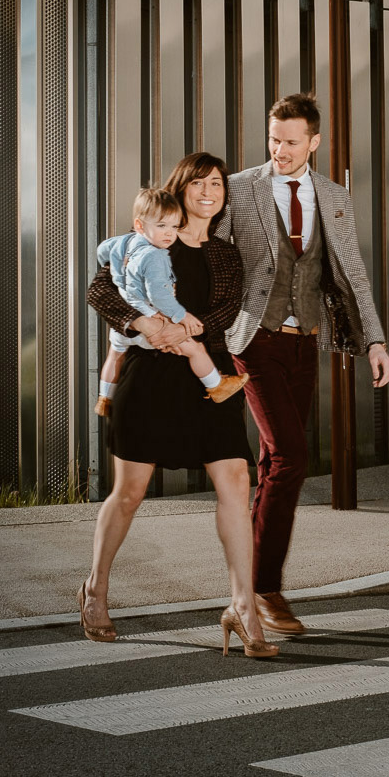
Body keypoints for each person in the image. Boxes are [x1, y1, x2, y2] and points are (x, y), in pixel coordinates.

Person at [84, 153, 277, 659]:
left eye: (217, 183)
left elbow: (225, 310)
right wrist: (145, 325)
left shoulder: (225, 255)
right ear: (181, 189)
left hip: (207, 376)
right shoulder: (142, 239)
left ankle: (242, 607)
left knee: (236, 480)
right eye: (198, 183)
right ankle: (96, 589)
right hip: (149, 377)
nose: (209, 191)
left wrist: (179, 331)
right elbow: (99, 290)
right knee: (129, 492)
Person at [221, 92, 389, 636]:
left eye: (292, 142)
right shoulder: (240, 188)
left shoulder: (335, 197)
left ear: (314, 142)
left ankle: (245, 591)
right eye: (274, 139)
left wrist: (375, 343)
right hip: (253, 340)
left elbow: (353, 272)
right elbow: (215, 260)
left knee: (277, 464)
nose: (281, 150)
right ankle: (266, 589)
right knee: (292, 456)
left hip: (305, 342)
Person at [95, 187, 249, 414]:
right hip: (154, 324)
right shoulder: (156, 255)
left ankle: (104, 398)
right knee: (196, 350)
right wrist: (182, 317)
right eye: (161, 226)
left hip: (125, 326)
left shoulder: (124, 243)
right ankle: (216, 385)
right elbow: (159, 295)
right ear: (139, 225)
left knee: (115, 355)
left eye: (174, 227)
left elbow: (102, 251)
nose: (169, 234)